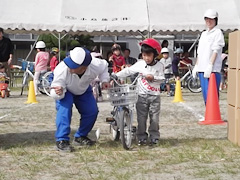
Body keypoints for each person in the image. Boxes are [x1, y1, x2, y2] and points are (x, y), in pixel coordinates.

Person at [50, 47, 110, 152]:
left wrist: (104, 80)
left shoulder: (96, 65)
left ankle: (80, 136)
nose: (69, 67)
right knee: (65, 110)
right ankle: (62, 140)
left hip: (83, 89)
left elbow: (105, 66)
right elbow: (55, 89)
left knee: (92, 111)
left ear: (84, 68)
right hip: (66, 90)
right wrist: (58, 92)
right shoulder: (61, 68)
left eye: (73, 66)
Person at [114, 38, 165, 146]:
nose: (146, 58)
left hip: (155, 96)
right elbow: (128, 71)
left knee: (154, 119)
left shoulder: (160, 66)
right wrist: (115, 75)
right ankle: (141, 137)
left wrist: (153, 77)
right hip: (141, 96)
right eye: (144, 55)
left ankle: (154, 137)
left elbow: (162, 79)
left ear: (155, 55)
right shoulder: (140, 64)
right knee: (141, 119)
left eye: (149, 55)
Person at [192, 9, 225, 106]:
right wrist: (196, 66)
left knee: (212, 94)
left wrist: (210, 65)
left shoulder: (218, 32)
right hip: (202, 67)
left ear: (215, 20)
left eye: (211, 19)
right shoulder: (203, 34)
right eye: (207, 19)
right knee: (205, 94)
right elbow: (200, 52)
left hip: (212, 69)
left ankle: (213, 115)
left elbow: (216, 49)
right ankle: (208, 114)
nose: (209, 22)